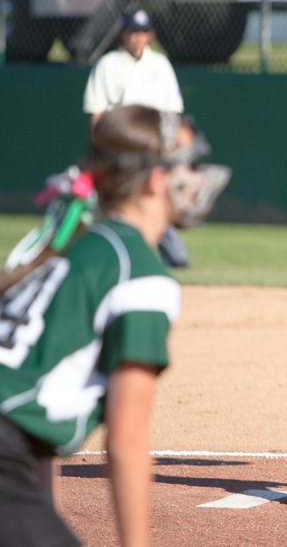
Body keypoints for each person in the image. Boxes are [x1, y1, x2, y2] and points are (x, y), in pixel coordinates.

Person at [0, 106, 229, 547]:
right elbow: (127, 439)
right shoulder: (141, 275)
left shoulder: (72, 239)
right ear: (157, 179)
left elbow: (30, 417)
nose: (198, 177)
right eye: (189, 165)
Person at [82, 8, 189, 269]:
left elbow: (171, 112)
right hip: (118, 147)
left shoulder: (160, 65)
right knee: (110, 202)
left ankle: (175, 256)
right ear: (122, 33)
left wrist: (168, 148)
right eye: (133, 31)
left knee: (155, 197)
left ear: (150, 35)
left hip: (152, 147)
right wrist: (98, 149)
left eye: (142, 32)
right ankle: (94, 250)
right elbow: (97, 112)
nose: (137, 37)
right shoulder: (108, 64)